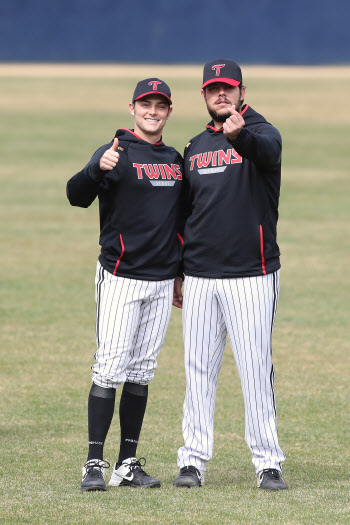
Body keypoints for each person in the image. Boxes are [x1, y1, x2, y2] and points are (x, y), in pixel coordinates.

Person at [172, 59, 288, 490]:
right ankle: (193, 459)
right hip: (200, 275)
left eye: (228, 88)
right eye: (213, 89)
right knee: (198, 369)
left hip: (251, 274)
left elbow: (268, 153)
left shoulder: (262, 133)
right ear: (204, 96)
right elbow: (186, 214)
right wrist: (179, 271)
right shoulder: (196, 146)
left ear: (242, 92)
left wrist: (240, 136)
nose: (221, 95)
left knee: (255, 368)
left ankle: (267, 461)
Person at [67, 78, 184, 491]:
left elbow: (180, 223)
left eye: (160, 105)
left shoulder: (173, 158)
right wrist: (94, 170)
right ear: (132, 108)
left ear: (169, 111)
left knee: (142, 370)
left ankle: (126, 463)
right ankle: (94, 463)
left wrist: (179, 274)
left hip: (160, 279)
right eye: (145, 104)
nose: (153, 111)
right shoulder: (115, 151)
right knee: (111, 365)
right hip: (120, 276)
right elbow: (75, 195)